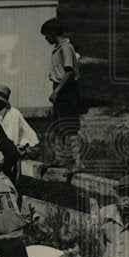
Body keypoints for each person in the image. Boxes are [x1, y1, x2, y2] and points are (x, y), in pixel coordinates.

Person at [41, 18, 83, 172]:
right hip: (60, 89)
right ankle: (60, 158)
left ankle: (78, 162)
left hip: (66, 90)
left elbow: (69, 71)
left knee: (70, 126)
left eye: (46, 36)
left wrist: (57, 90)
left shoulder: (66, 48)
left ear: (52, 34)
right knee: (59, 126)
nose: (46, 39)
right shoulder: (59, 48)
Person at [0, 85, 39, 159]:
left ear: (0, 102)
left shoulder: (13, 115)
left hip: (28, 150)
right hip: (12, 149)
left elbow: (11, 142)